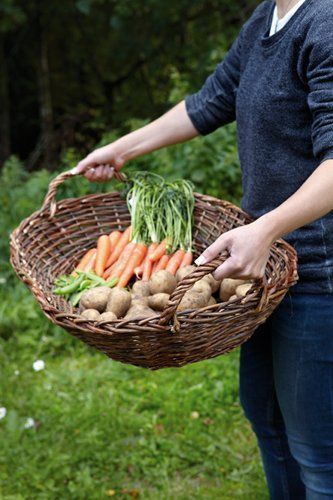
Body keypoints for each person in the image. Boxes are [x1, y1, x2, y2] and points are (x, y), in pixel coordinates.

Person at [73, 0, 333, 497]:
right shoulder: (266, 19)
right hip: (259, 271)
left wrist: (267, 228)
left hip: (319, 272)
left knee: (318, 453)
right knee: (269, 422)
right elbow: (209, 101)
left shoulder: (325, 23)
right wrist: (122, 148)